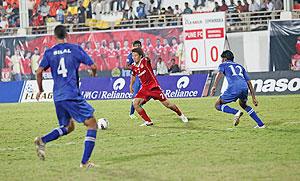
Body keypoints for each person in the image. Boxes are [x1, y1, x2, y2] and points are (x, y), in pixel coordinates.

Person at [34, 25, 98, 168]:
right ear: (67, 34)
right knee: (92, 123)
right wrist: (93, 76)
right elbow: (93, 66)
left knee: (68, 127)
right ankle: (85, 162)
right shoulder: (75, 49)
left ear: (54, 36)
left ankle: (42, 140)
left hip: (58, 96)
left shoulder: (50, 52)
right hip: (71, 94)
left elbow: (38, 72)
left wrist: (41, 89)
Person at [130, 48, 188, 126]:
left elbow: (148, 59)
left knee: (168, 105)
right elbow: (133, 75)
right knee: (135, 103)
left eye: (135, 55)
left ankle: (181, 115)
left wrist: (147, 54)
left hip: (154, 88)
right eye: (133, 55)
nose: (134, 57)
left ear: (140, 56)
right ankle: (148, 121)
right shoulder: (133, 66)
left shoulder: (145, 61)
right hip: (144, 89)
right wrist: (131, 85)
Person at [210, 50, 265, 128]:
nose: (221, 60)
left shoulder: (223, 65)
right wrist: (254, 98)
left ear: (225, 59)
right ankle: (261, 124)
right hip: (244, 87)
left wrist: (214, 86)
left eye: (222, 59)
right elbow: (249, 82)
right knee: (243, 104)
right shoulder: (240, 66)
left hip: (234, 87)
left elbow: (219, 74)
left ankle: (236, 112)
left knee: (217, 104)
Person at [126, 40, 142, 119]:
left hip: (143, 77)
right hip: (136, 77)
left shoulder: (142, 55)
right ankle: (131, 113)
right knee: (135, 96)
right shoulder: (131, 55)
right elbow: (127, 66)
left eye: (139, 46)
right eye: (136, 46)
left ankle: (139, 108)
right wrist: (134, 68)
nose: (138, 47)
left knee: (145, 96)